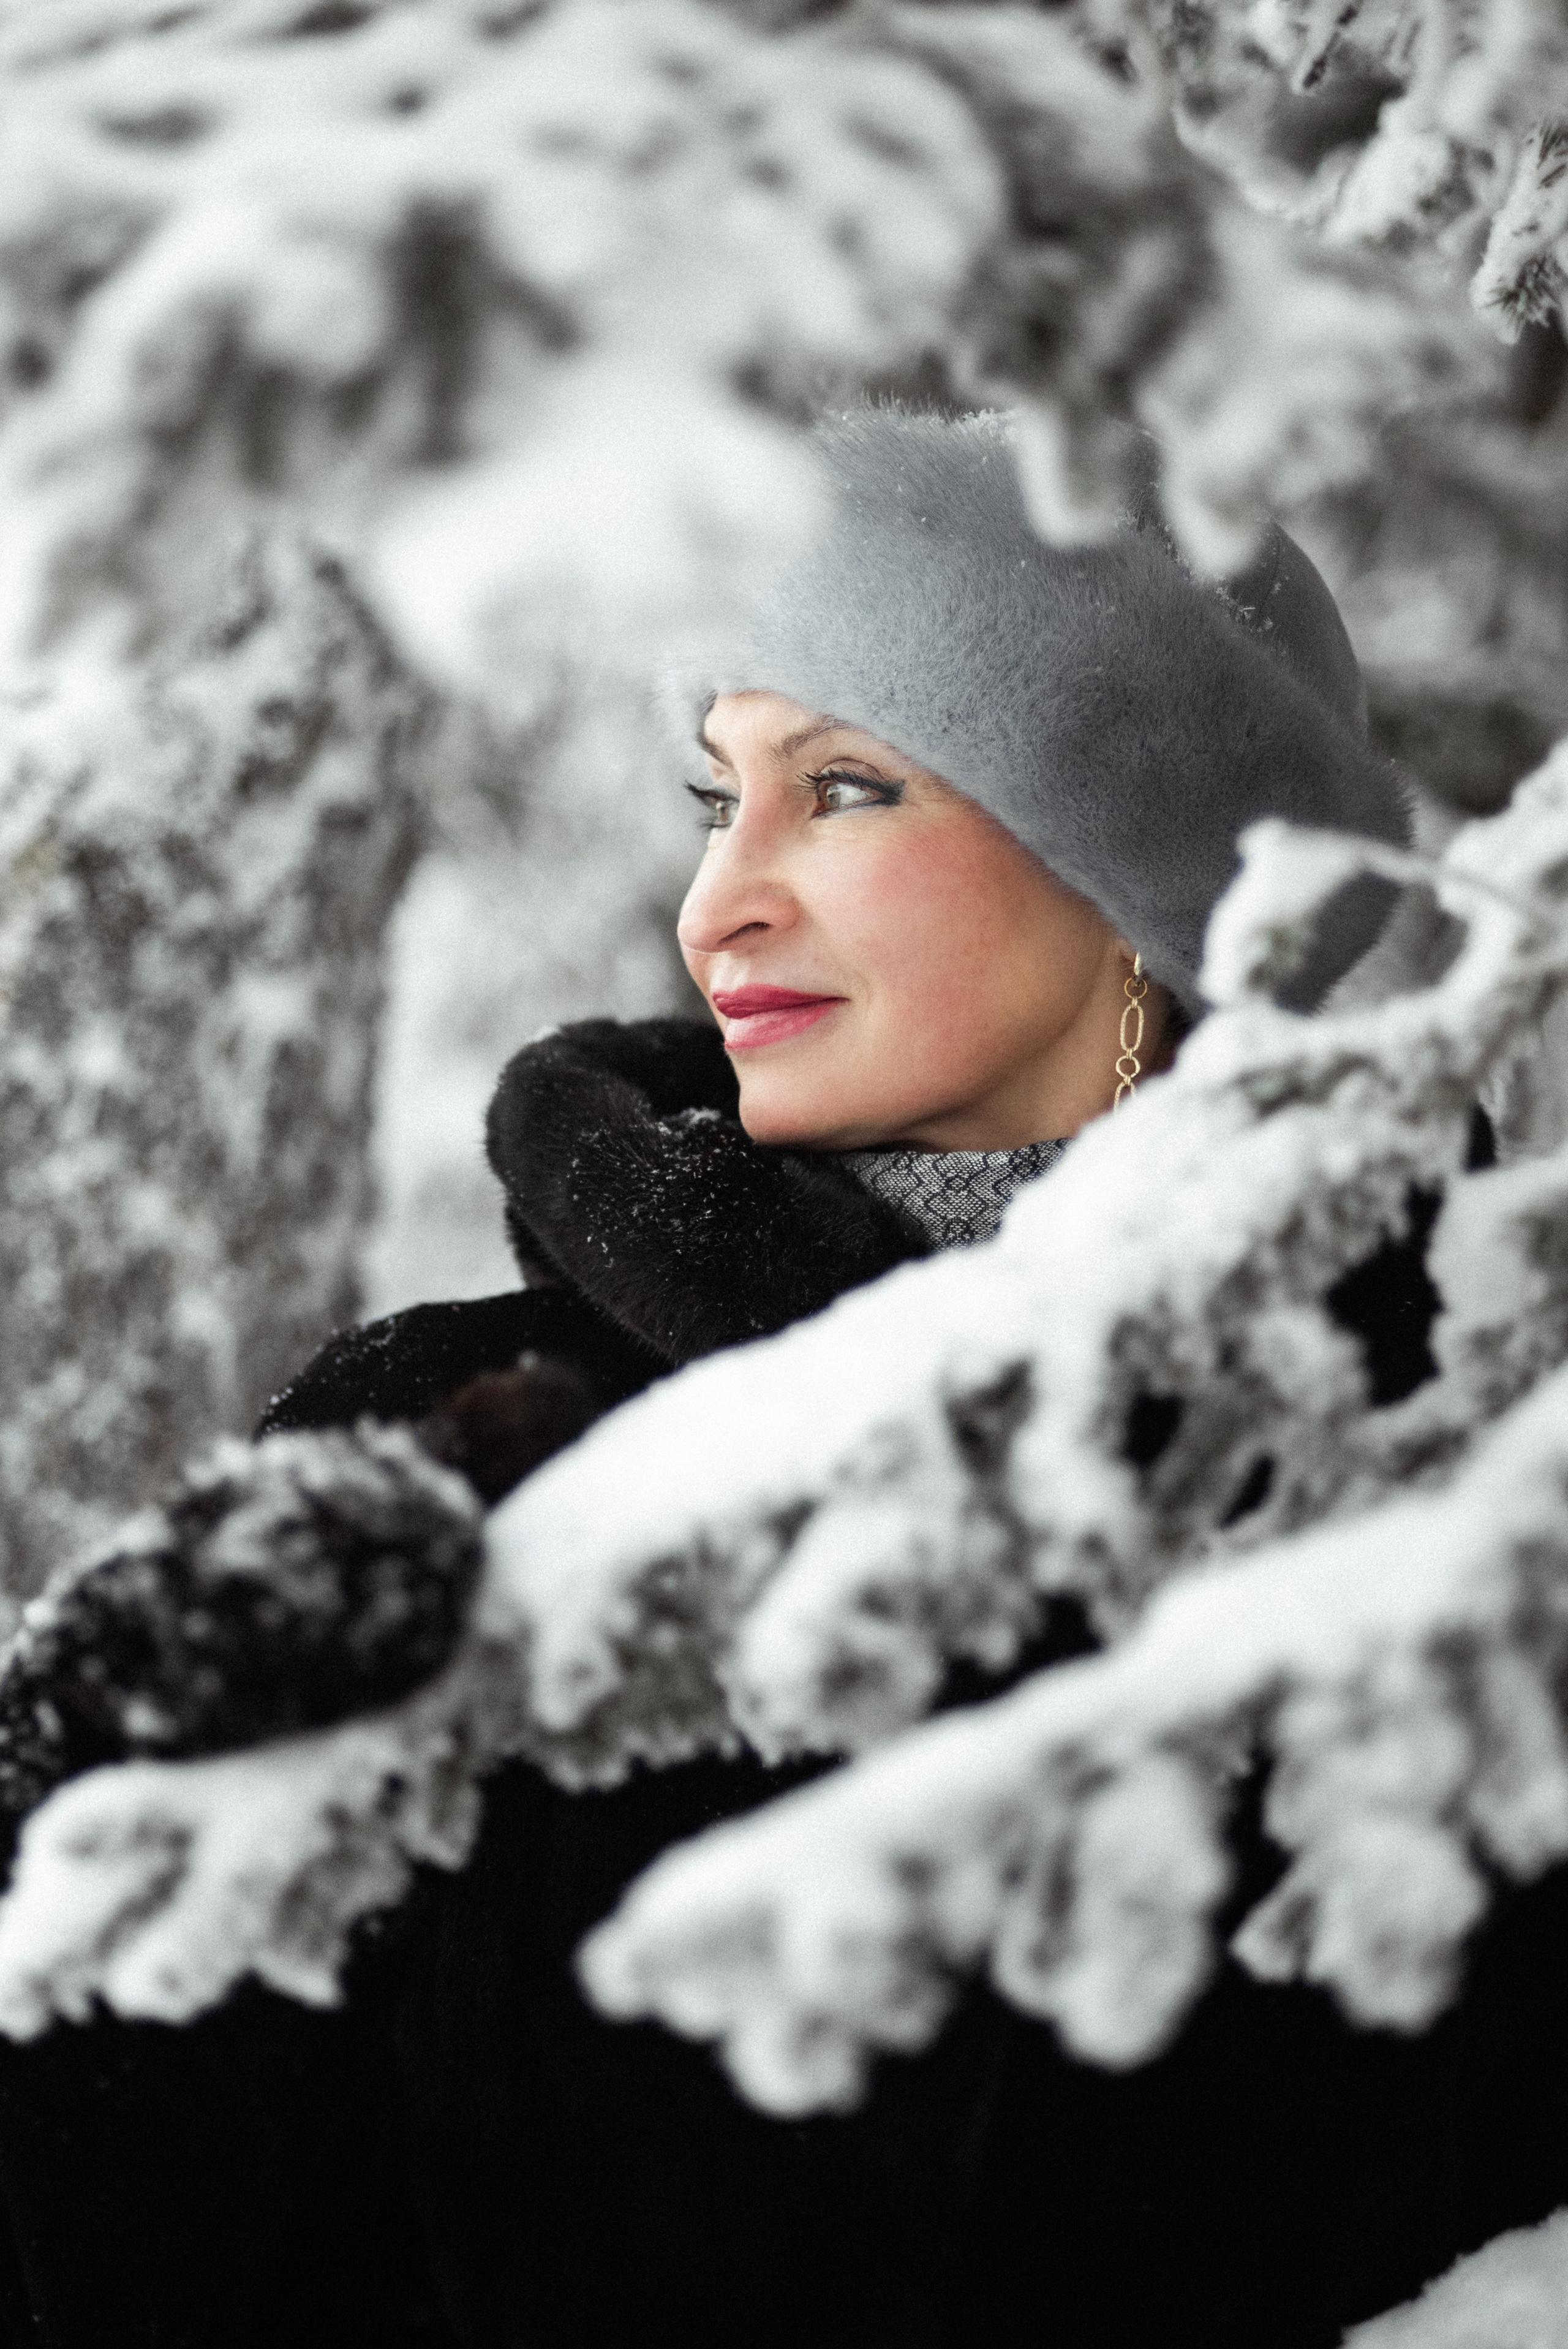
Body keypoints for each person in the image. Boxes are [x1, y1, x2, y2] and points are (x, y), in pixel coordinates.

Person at [0, 409, 1557, 2349]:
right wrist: (82, 1837)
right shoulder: (459, 1450)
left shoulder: (1482, 1498)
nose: (716, 897)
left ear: (1146, 873)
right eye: (709, 796)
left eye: (840, 790)